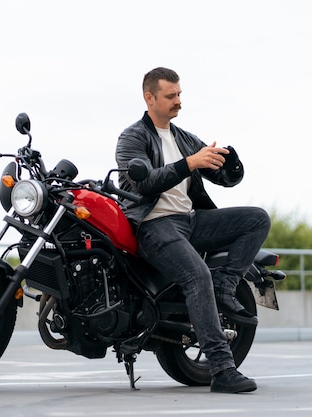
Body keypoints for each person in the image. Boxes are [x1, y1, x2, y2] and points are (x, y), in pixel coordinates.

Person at [115, 67, 271, 393]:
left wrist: (228, 162)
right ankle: (223, 369)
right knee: (196, 275)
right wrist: (190, 163)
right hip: (154, 225)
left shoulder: (184, 138)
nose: (178, 101)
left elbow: (223, 177)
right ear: (150, 97)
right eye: (171, 96)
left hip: (191, 221)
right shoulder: (132, 138)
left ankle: (225, 285)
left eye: (179, 94)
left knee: (257, 219)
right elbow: (142, 184)